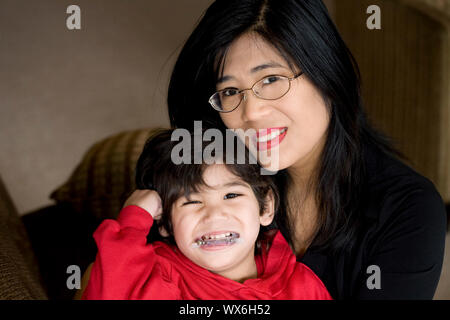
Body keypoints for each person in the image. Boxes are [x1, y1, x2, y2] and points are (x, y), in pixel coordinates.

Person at [166, 0, 447, 299]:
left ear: (326, 72)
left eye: (271, 79)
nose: (251, 113)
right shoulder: (214, 179)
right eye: (230, 91)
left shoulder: (408, 210)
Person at [79, 129, 332, 299]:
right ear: (165, 221)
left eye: (231, 195)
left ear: (265, 207)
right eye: (191, 202)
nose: (214, 214)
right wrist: (134, 220)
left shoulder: (300, 284)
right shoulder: (158, 273)